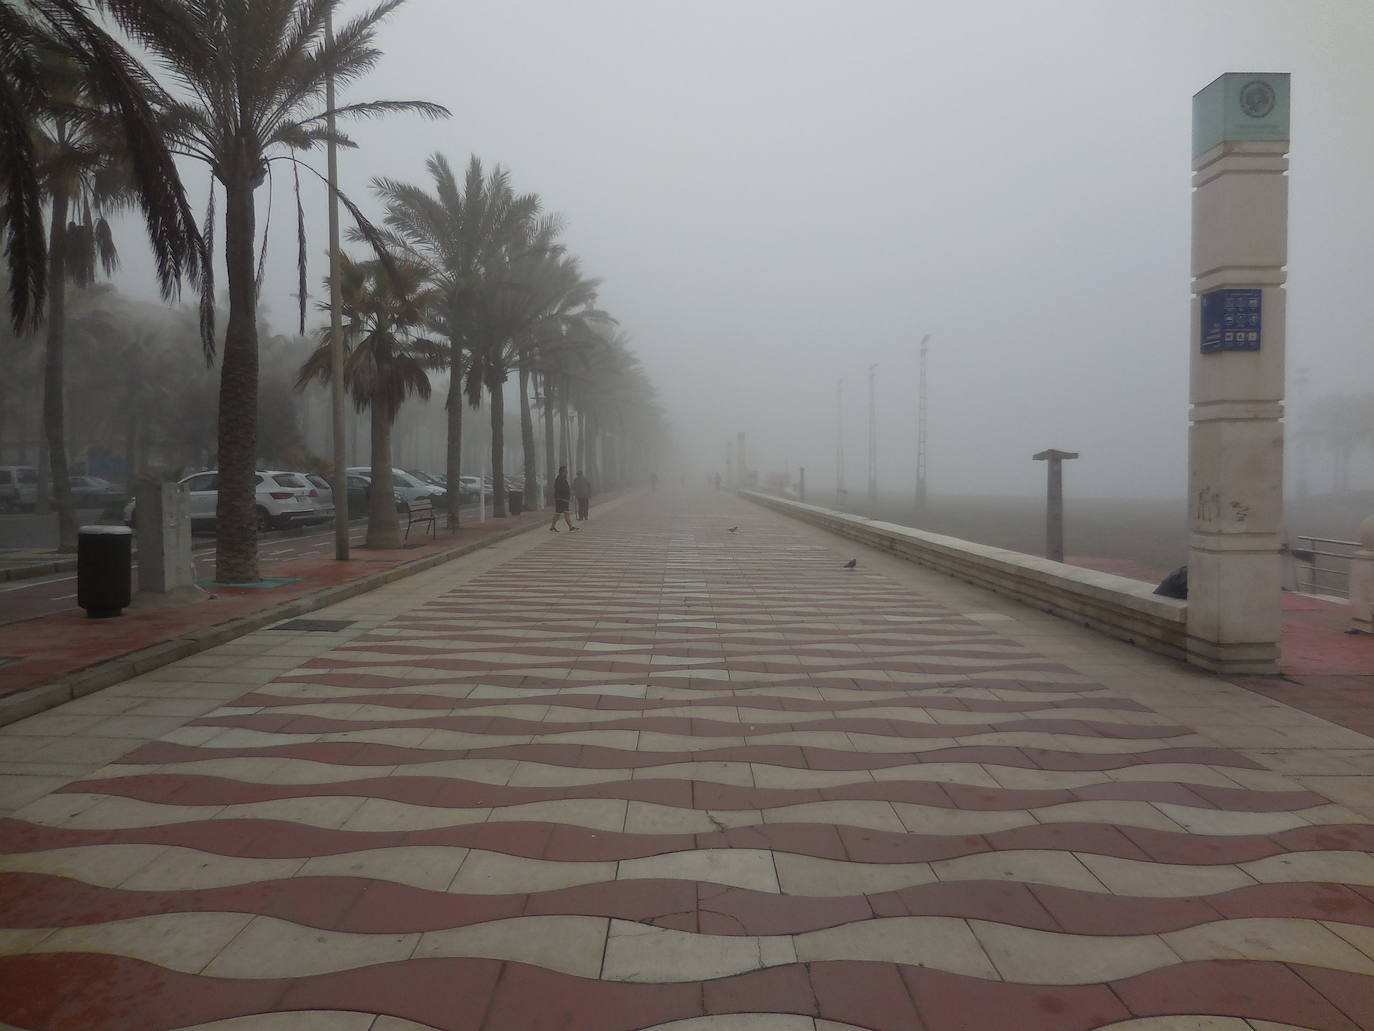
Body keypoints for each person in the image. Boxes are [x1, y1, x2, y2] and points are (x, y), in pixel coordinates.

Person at [549, 465, 577, 532]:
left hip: (561, 499)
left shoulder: (561, 479)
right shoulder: (560, 479)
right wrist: (569, 491)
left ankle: (552, 527)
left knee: (558, 513)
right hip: (562, 499)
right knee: (566, 513)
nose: (567, 472)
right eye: (566, 471)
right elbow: (560, 489)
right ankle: (570, 527)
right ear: (562, 472)